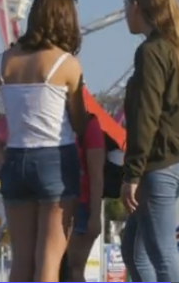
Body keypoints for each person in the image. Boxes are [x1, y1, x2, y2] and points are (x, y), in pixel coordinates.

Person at [0, 0, 87, 282]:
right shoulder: (67, 64)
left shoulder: (5, 62)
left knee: (21, 260)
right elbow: (80, 123)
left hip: (15, 161)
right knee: (49, 261)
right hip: (56, 158)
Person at [120, 0, 179, 283]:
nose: (124, 14)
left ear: (136, 6)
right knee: (133, 250)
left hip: (160, 164)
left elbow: (146, 114)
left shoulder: (152, 51)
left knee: (162, 252)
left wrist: (132, 173)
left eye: (125, 6)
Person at [64, 113, 106, 282]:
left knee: (72, 270)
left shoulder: (88, 124)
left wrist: (95, 216)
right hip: (53, 205)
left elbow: (97, 176)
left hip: (80, 208)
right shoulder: (50, 121)